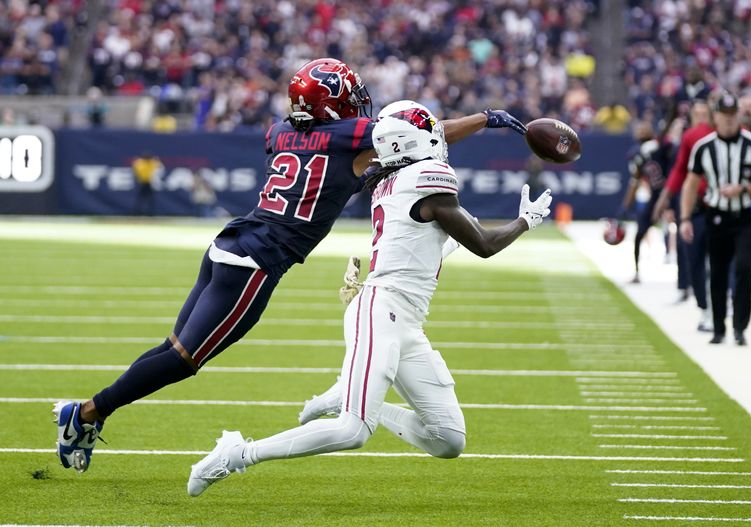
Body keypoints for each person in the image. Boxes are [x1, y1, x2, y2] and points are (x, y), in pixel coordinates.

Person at [51, 58, 532, 473]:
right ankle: (88, 412)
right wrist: (485, 119)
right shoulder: (353, 136)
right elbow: (425, 134)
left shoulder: (278, 131)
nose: (358, 106)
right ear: (334, 106)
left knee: (173, 348)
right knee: (183, 359)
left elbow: (344, 151)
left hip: (229, 245)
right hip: (257, 263)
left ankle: (90, 412)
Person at [186, 103, 552, 497]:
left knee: (448, 439)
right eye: (431, 131)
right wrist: (524, 222)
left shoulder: (392, 178)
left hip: (404, 317)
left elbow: (425, 250)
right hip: (383, 311)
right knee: (353, 430)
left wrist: (482, 121)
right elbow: (482, 245)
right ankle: (237, 453)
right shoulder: (427, 177)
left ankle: (349, 393)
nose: (439, 136)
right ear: (416, 141)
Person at [679, 93, 751, 346]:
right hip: (717, 216)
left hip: (746, 216)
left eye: (733, 115)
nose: (729, 120)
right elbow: (690, 184)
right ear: (716, 117)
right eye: (724, 115)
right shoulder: (704, 147)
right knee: (718, 271)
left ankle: (740, 326)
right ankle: (719, 326)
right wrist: (686, 217)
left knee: (744, 267)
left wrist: (744, 190)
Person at [653, 99, 714, 331]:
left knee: (720, 258)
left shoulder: (722, 134)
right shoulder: (689, 138)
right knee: (694, 255)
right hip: (694, 205)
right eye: (696, 113)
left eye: (703, 113)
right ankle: (703, 306)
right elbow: (679, 171)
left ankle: (719, 302)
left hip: (720, 205)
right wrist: (665, 198)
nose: (700, 117)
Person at [619, 120, 676, 283]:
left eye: (645, 128)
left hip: (673, 192)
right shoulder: (637, 154)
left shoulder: (662, 145)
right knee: (639, 233)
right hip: (656, 196)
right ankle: (637, 272)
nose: (642, 131)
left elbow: (666, 135)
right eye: (639, 129)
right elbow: (635, 180)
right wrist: (625, 206)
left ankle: (687, 276)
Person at [131, 151, 162, 216]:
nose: (147, 159)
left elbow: (159, 167)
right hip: (143, 182)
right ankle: (137, 212)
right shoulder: (141, 163)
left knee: (150, 199)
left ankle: (150, 212)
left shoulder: (152, 163)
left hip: (150, 183)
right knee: (141, 198)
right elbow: (136, 169)